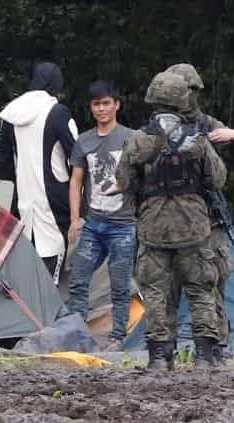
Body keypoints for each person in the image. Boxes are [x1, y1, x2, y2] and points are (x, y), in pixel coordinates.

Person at [113, 71, 227, 369]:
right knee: (201, 290)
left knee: (155, 293)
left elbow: (123, 180)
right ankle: (204, 356)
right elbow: (217, 179)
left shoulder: (138, 139)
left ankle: (159, 359)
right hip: (194, 226)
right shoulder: (198, 139)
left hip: (153, 227)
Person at [164, 63, 234, 365]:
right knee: (167, 287)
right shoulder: (159, 126)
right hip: (169, 219)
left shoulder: (207, 124)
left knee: (212, 283)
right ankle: (164, 350)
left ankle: (214, 347)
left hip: (208, 219)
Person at [66, 81, 135, 352]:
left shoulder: (131, 138)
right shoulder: (84, 141)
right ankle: (76, 332)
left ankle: (118, 337)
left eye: (106, 103)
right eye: (97, 104)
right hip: (93, 223)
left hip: (124, 224)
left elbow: (143, 175)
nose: (102, 108)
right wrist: (75, 218)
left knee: (120, 284)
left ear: (117, 105)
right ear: (91, 108)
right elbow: (76, 182)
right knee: (78, 279)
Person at [0, 62, 78, 284]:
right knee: (50, 283)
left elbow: (4, 159)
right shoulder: (58, 113)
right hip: (56, 203)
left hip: (22, 203)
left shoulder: (12, 114)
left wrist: (21, 180)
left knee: (26, 276)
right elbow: (77, 158)